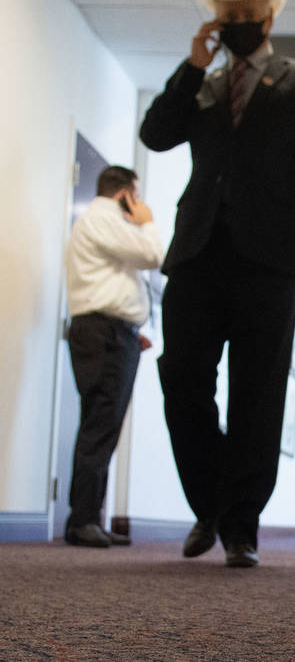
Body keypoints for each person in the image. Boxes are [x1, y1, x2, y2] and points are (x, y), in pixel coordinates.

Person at [139, 0, 295, 568]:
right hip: (197, 252)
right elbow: (156, 136)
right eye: (225, 16)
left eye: (245, 16)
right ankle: (210, 503)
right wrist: (192, 65)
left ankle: (241, 527)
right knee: (182, 380)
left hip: (271, 258)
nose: (235, 24)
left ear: (268, 16)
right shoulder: (200, 84)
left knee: (258, 392)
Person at [64, 165, 163, 548]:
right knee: (100, 424)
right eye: (136, 196)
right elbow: (153, 254)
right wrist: (149, 221)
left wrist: (132, 329)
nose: (139, 203)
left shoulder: (102, 224)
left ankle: (89, 518)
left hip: (113, 333)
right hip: (103, 332)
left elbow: (120, 279)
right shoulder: (102, 218)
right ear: (124, 195)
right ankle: (82, 521)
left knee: (103, 425)